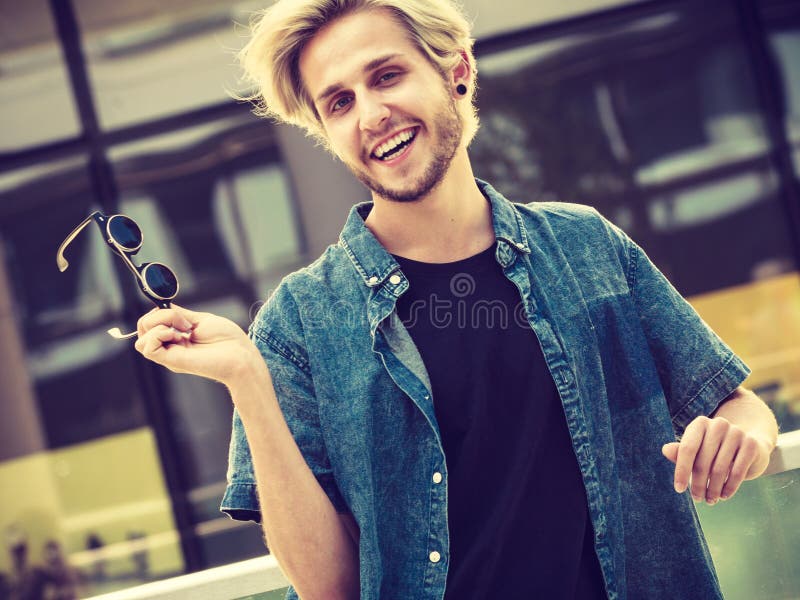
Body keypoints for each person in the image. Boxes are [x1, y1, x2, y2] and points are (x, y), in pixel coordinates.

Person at [133, 1, 779, 598]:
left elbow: (738, 404)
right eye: (338, 102)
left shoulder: (586, 246)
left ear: (457, 73)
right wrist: (248, 382)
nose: (370, 114)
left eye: (386, 76)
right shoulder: (298, 325)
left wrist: (742, 438)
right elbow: (329, 588)